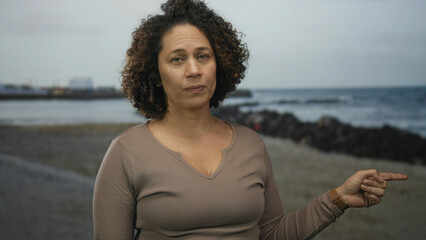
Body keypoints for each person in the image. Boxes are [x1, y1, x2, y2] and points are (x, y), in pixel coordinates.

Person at [93, 0, 408, 239]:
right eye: (178, 59)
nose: (194, 69)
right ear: (155, 74)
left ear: (220, 64)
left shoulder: (250, 143)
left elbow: (272, 233)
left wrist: (338, 199)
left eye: (203, 56)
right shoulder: (126, 153)